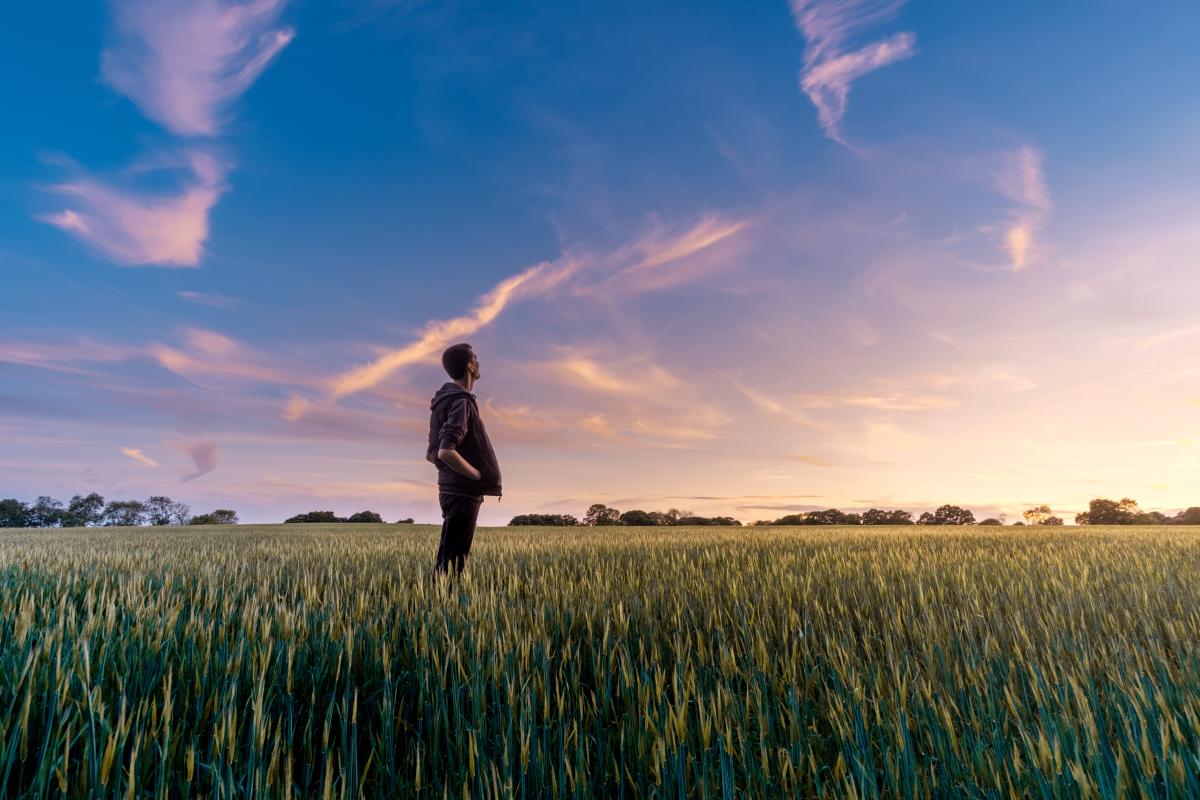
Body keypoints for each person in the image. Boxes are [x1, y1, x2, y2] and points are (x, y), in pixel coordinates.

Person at [426, 343, 502, 577]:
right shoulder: (461, 401)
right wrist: (476, 475)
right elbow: (444, 451)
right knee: (453, 563)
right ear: (470, 366)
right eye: (476, 359)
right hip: (463, 491)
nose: (478, 363)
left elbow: (431, 453)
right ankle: (441, 608)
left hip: (450, 489)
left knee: (448, 558)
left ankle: (436, 604)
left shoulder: (444, 401)